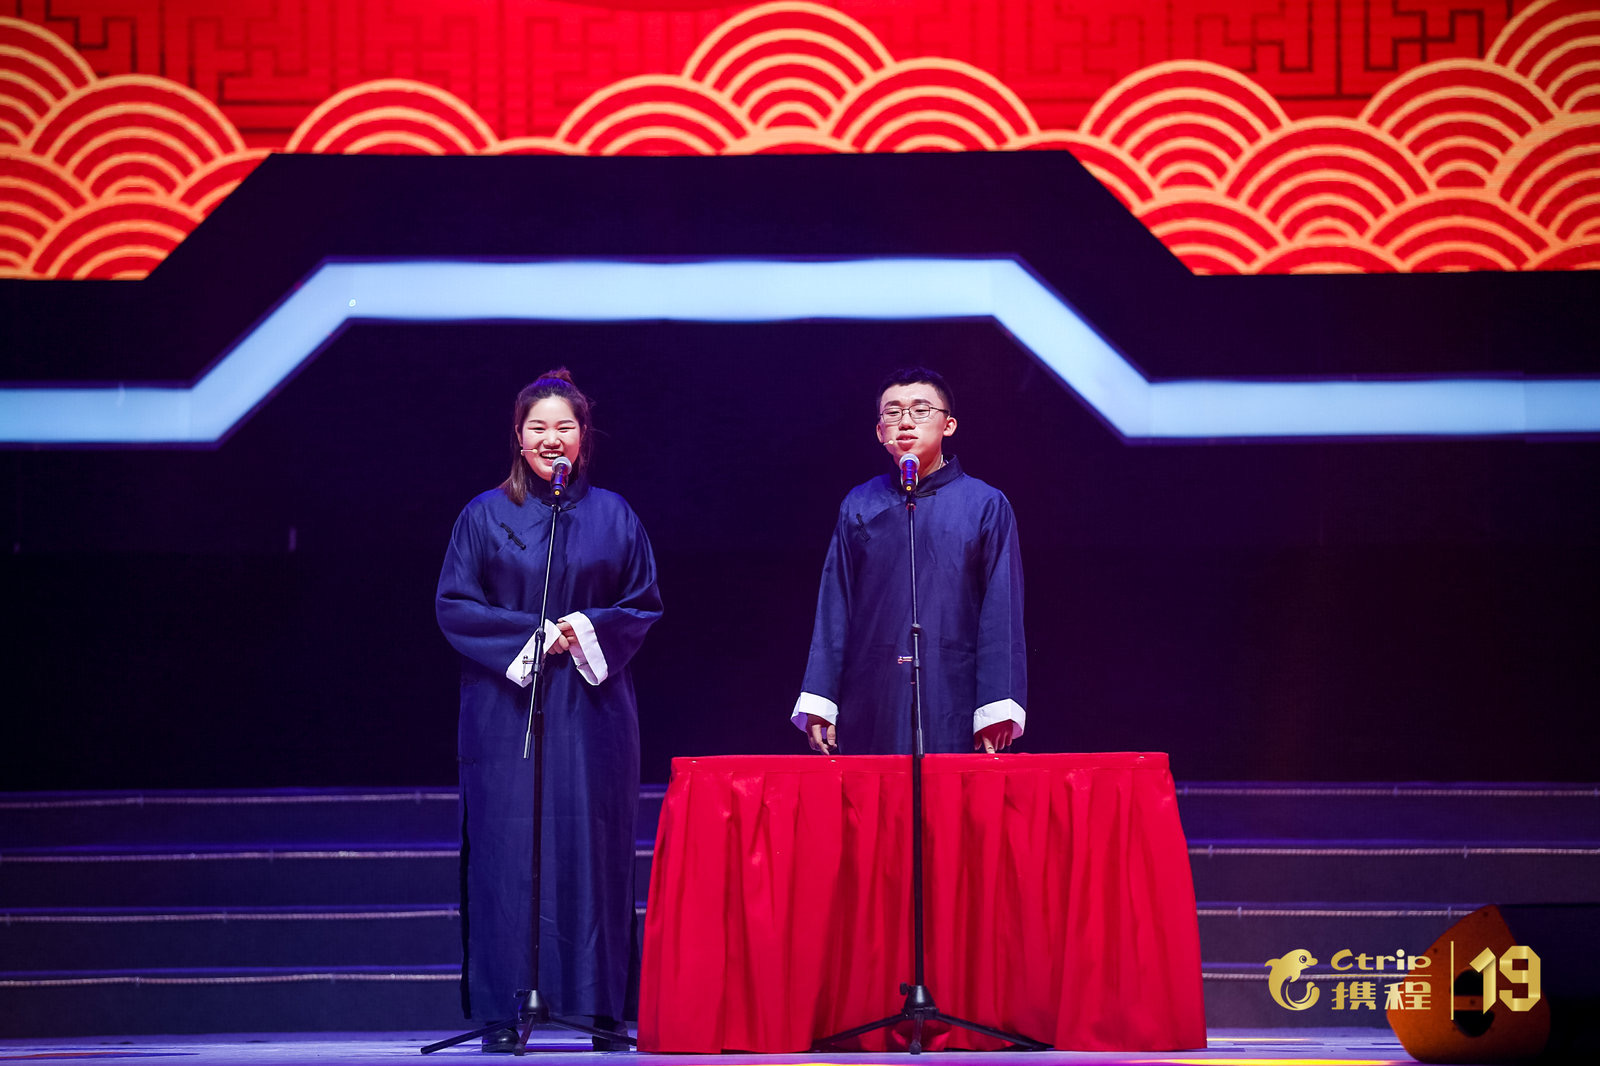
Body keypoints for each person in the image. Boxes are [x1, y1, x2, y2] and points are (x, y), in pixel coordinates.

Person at [436, 369, 662, 1050]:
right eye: (538, 427)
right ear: (518, 436)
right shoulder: (483, 515)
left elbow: (642, 602)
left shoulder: (615, 515)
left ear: (583, 436)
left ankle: (600, 1009)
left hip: (593, 705)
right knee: (506, 850)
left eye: (564, 426)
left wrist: (583, 629)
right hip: (505, 704)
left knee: (594, 848)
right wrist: (532, 635)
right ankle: (504, 1010)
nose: (551, 438)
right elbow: (455, 604)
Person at [792, 367, 1025, 755]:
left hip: (953, 691)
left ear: (948, 425)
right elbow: (835, 604)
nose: (905, 422)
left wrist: (996, 706)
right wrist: (821, 699)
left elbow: (1002, 610)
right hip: (872, 693)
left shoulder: (985, 504)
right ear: (879, 431)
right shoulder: (860, 504)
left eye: (920, 410)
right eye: (893, 412)